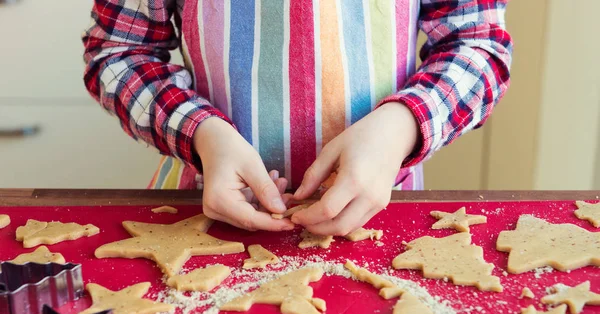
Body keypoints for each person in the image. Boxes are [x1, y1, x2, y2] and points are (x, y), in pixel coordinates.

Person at [83, 0, 512, 236]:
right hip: (203, 214)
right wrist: (202, 134)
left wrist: (401, 126)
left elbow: (478, 45)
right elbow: (118, 52)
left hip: (380, 215)